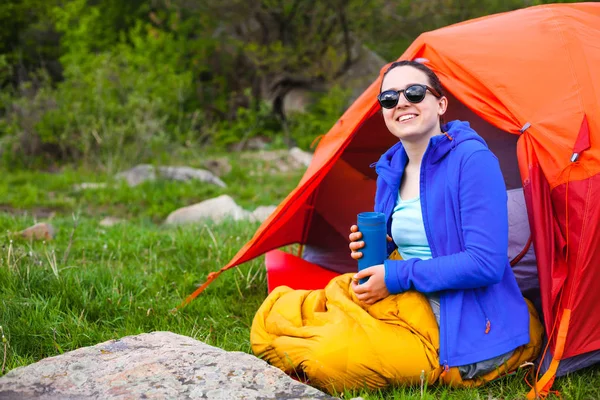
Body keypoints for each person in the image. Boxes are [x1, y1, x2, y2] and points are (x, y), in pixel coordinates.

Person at [348, 60, 541, 380]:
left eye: (414, 91)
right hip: (409, 296)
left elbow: (484, 264)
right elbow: (417, 241)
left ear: (440, 104)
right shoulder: (391, 166)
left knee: (336, 355)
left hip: (468, 316)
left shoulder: (472, 161)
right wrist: (381, 247)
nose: (402, 102)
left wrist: (394, 274)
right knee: (297, 311)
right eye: (389, 98)